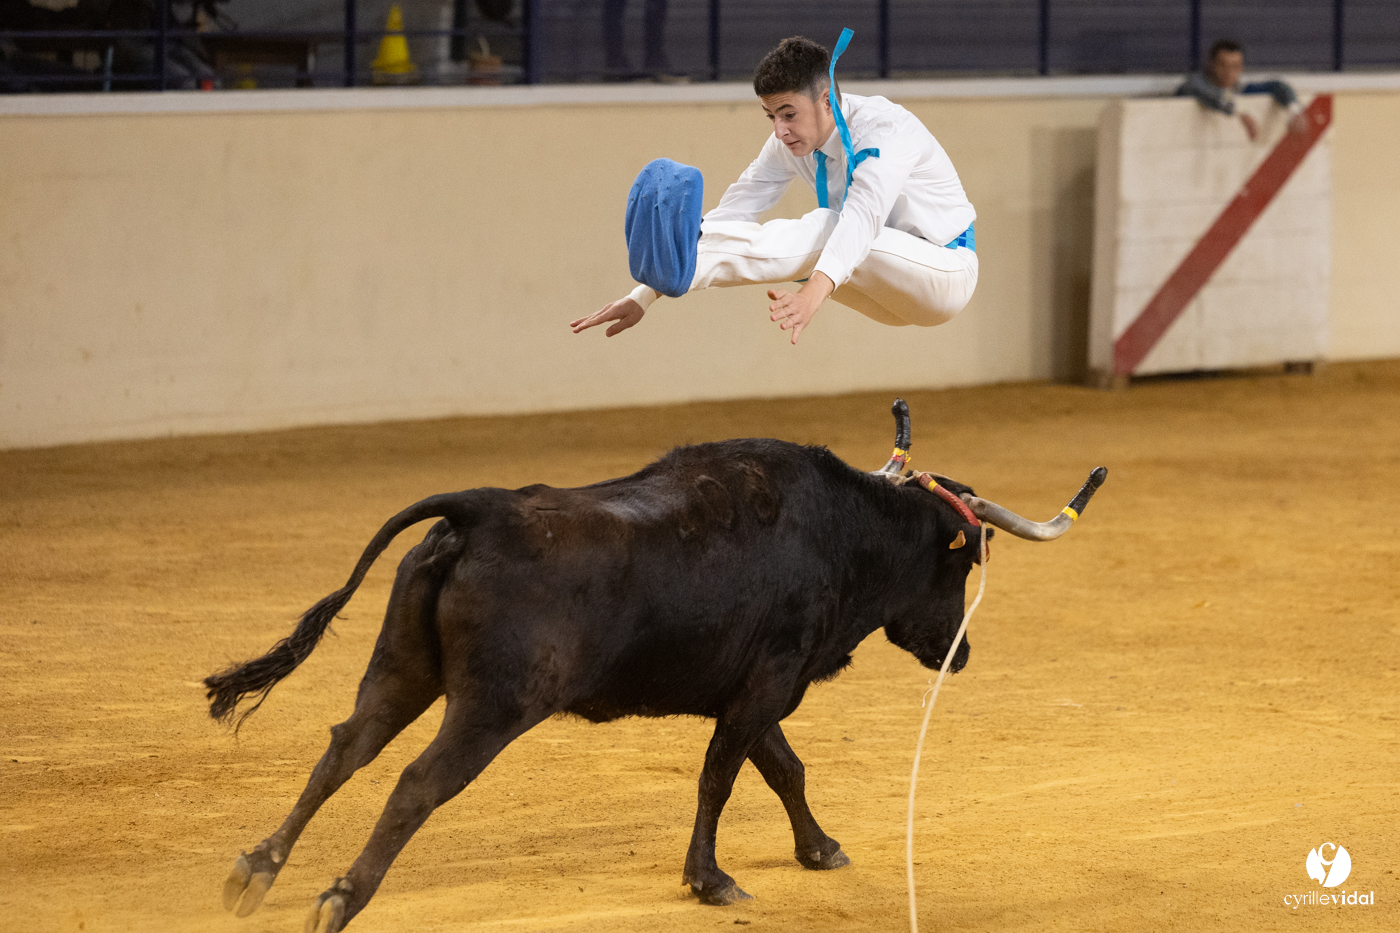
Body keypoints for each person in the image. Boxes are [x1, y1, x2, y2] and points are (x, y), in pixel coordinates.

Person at [571, 32, 977, 345]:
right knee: (811, 244)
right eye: (770, 116)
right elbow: (733, 214)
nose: (780, 130)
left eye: (788, 113)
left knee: (826, 228)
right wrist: (646, 293)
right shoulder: (789, 141)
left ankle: (682, 267)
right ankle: (676, 269)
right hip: (881, 290)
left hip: (944, 274)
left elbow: (861, 221)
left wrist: (813, 294)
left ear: (825, 100)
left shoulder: (885, 128)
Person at [1176, 39, 1307, 142]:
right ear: (1212, 65)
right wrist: (1236, 110)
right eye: (1223, 65)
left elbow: (1277, 86)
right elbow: (1192, 89)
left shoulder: (1241, 90)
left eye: (1235, 66)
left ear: (1241, 68)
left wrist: (1294, 110)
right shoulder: (1196, 84)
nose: (1229, 72)